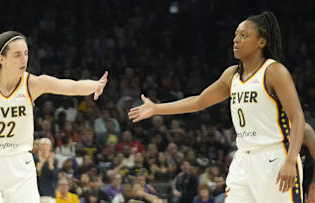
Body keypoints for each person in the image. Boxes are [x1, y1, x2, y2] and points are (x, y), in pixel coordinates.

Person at [129, 11, 305, 203]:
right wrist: (157, 108)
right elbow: (198, 101)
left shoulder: (274, 72)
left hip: (274, 157)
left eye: (244, 35)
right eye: (236, 35)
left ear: (261, 42)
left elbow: (297, 117)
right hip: (243, 159)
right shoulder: (232, 75)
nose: (236, 40)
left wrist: (290, 161)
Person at [0, 31, 108, 203]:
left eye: (26, 53)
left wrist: (95, 85)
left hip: (20, 163)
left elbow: (69, 86)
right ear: (1, 59)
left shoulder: (31, 84)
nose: (24, 60)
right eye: (17, 55)